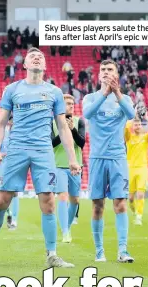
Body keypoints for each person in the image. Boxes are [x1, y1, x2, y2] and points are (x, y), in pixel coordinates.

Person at [0, 47, 81, 269]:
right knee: (2, 201)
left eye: (40, 57)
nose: (37, 57)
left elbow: (62, 126)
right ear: (24, 64)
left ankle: (52, 254)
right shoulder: (12, 89)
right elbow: (1, 122)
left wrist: (72, 158)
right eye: (32, 56)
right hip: (16, 150)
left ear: (44, 65)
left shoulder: (54, 92)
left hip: (43, 151)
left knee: (49, 203)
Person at [82, 60, 135, 263]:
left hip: (117, 157)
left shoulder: (125, 99)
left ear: (116, 73)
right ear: (98, 75)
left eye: (110, 69)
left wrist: (117, 93)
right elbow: (87, 114)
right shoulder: (90, 98)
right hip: (96, 158)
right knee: (97, 206)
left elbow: (131, 115)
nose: (106, 72)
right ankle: (99, 251)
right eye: (103, 69)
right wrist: (105, 93)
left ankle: (123, 250)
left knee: (120, 203)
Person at [52, 94, 85, 243]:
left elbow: (82, 143)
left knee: (75, 200)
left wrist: (72, 130)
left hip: (76, 166)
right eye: (67, 103)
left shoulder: (79, 122)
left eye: (72, 103)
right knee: (63, 196)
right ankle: (65, 232)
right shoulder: (52, 122)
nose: (71, 106)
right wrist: (63, 129)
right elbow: (51, 143)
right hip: (58, 165)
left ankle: (68, 226)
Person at [125, 113, 148, 226]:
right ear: (133, 127)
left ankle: (139, 217)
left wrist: (147, 118)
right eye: (135, 124)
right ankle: (134, 211)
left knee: (140, 194)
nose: (137, 126)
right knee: (131, 198)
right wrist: (132, 118)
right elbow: (125, 128)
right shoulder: (129, 138)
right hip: (130, 169)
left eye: (139, 124)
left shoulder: (145, 138)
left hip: (142, 168)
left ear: (141, 126)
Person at [3, 115, 20, 230]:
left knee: (15, 193)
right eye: (11, 119)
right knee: (4, 193)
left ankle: (14, 219)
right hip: (4, 165)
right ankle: (9, 213)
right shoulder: (4, 133)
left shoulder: (19, 133)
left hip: (16, 164)